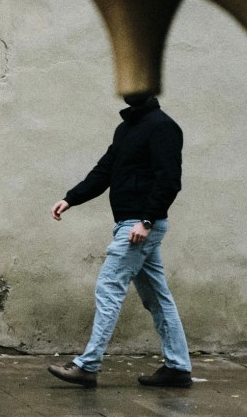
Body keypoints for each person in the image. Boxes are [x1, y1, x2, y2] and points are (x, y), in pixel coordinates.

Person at [48, 93, 192, 389]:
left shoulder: (163, 126)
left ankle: (87, 365)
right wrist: (70, 198)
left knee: (109, 287)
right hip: (130, 223)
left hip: (139, 226)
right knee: (157, 297)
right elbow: (104, 171)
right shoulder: (126, 129)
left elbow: (169, 179)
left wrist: (147, 220)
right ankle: (178, 367)